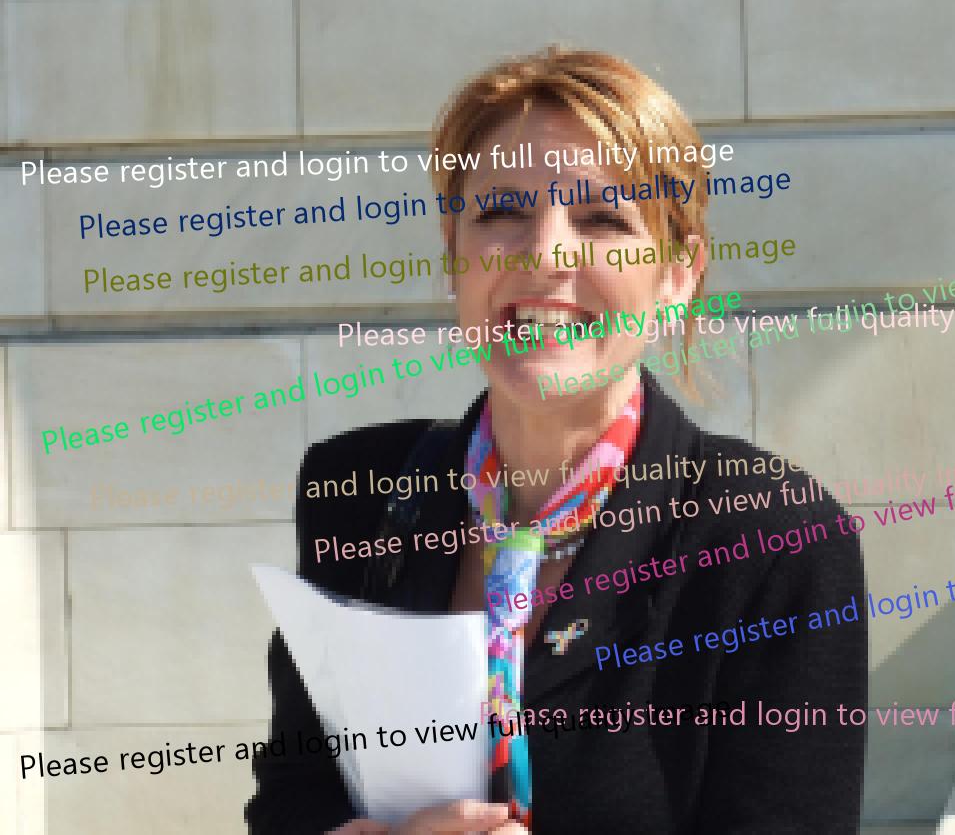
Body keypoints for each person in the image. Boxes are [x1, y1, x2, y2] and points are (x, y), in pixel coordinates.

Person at [245, 46, 866, 835]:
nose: (545, 253)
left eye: (603, 219)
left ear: (677, 275)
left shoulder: (774, 540)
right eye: (502, 212)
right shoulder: (357, 491)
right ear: (454, 252)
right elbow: (292, 797)